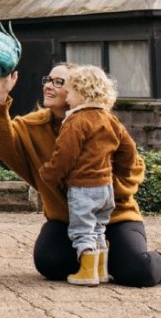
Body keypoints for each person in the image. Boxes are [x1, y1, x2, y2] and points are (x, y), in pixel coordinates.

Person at [0, 63, 161, 287]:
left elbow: (133, 169)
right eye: (48, 80)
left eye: (59, 82)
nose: (49, 86)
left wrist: (98, 188)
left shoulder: (102, 122)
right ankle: (100, 260)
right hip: (67, 220)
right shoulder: (33, 126)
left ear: (79, 90)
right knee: (50, 262)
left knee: (137, 271)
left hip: (114, 216)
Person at [37, 65, 134, 286]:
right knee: (98, 229)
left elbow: (65, 156)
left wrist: (49, 174)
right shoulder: (109, 119)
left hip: (83, 188)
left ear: (82, 93)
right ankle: (101, 271)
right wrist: (122, 171)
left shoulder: (76, 121)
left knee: (82, 231)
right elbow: (128, 151)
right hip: (106, 188)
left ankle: (87, 272)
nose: (67, 97)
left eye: (70, 92)